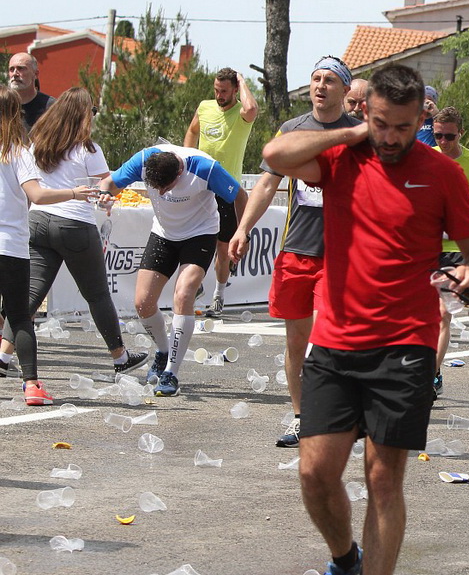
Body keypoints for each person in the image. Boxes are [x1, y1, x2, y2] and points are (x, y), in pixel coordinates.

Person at [262, 64, 469, 575]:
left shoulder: (442, 174)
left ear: (422, 122)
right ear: (367, 112)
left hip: (405, 343)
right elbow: (273, 155)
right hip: (335, 340)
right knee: (314, 474)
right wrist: (352, 131)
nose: (392, 138)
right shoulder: (341, 157)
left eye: (405, 128)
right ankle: (346, 557)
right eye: (384, 125)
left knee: (383, 479)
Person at [229, 57, 357, 448]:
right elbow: (267, 185)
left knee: (331, 339)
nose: (320, 85)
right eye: (315, 78)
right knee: (296, 342)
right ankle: (304, 418)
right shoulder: (292, 129)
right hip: (297, 250)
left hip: (344, 255)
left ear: (344, 90)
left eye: (330, 80)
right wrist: (243, 227)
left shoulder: (358, 134)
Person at [0, 88, 146, 379]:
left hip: (37, 223)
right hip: (74, 225)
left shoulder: (36, 143)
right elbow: (106, 185)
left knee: (26, 297)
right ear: (83, 115)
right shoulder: (88, 149)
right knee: (97, 294)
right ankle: (120, 357)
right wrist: (104, 198)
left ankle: (3, 355)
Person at [101, 143, 248, 397]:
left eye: (165, 188)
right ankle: (163, 351)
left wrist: (242, 231)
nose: (160, 193)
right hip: (164, 235)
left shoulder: (204, 167)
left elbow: (241, 196)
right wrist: (105, 195)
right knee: (142, 303)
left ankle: (171, 372)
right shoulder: (144, 160)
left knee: (183, 294)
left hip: (200, 233)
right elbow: (108, 183)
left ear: (178, 174)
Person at [0, 88, 95, 405]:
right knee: (18, 316)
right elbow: (38, 196)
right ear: (17, 114)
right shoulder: (18, 152)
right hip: (11, 246)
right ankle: (31, 386)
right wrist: (74, 193)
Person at [185, 67, 258, 317]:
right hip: (200, 186)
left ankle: (219, 295)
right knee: (191, 239)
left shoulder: (241, 112)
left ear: (235, 90)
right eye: (216, 90)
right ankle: (194, 288)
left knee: (223, 247)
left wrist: (242, 79)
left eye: (224, 91)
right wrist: (187, 157)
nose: (219, 95)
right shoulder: (205, 107)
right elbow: (193, 130)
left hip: (227, 188)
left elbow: (251, 109)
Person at [431, 106, 469, 398]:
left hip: (458, 248)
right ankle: (430, 369)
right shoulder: (426, 158)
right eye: (438, 136)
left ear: (461, 133)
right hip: (428, 248)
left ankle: (430, 376)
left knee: (444, 314)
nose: (443, 142)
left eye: (449, 137)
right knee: (423, 317)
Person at [7, 53, 54, 130]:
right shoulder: (3, 105)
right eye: (11, 69)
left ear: (35, 74)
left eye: (21, 68)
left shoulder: (51, 107)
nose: (15, 74)